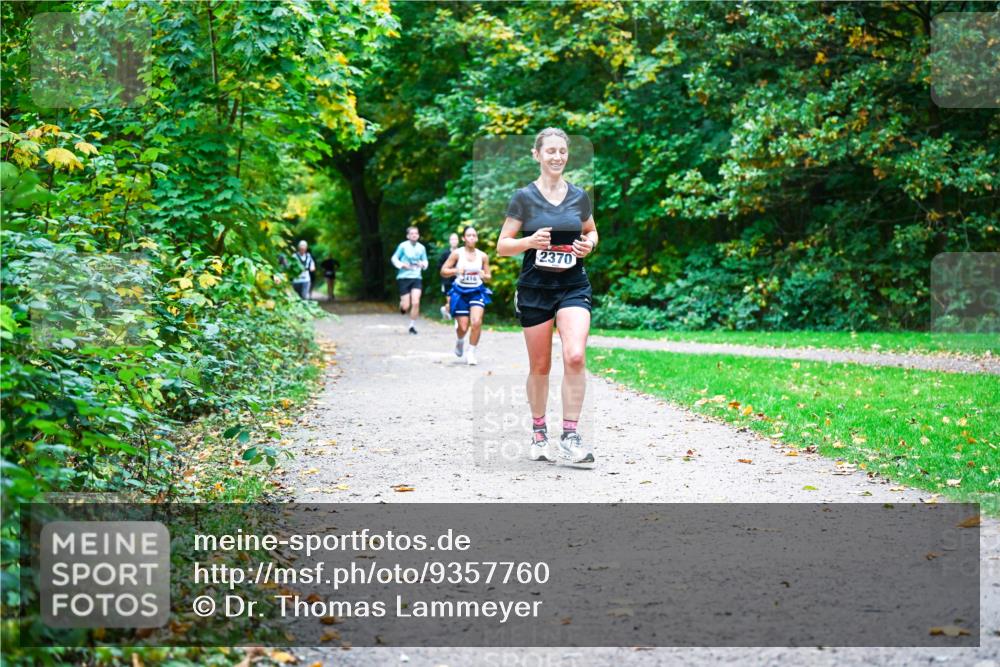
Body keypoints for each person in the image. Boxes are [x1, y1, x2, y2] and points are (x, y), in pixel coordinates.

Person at [496, 128, 598, 466]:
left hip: (573, 285)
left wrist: (589, 244)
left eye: (562, 151)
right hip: (535, 289)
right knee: (540, 366)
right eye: (550, 151)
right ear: (536, 154)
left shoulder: (579, 196)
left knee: (575, 356)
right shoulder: (523, 197)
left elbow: (591, 231)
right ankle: (539, 431)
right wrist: (529, 242)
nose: (557, 156)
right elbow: (502, 246)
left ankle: (570, 436)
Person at [440, 226, 492, 366]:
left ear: (477, 238)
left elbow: (489, 277)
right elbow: (443, 271)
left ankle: (471, 352)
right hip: (460, 292)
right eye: (469, 235)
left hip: (476, 291)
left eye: (474, 235)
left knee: (476, 322)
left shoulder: (483, 256)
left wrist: (484, 275)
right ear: (463, 238)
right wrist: (456, 271)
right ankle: (460, 340)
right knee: (463, 327)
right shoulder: (457, 254)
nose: (472, 238)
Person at [390, 226, 429, 334]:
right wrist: (402, 265)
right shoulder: (403, 246)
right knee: (406, 306)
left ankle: (412, 326)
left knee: (416, 302)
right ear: (408, 236)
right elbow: (394, 258)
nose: (414, 235)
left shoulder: (421, 248)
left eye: (416, 233)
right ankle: (402, 306)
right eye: (412, 233)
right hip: (404, 277)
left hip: (416, 277)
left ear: (418, 235)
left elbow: (425, 261)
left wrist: (422, 264)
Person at [438, 232, 460, 320]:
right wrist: (450, 271)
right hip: (447, 281)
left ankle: (446, 310)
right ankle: (447, 311)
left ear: (458, 241)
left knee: (458, 300)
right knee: (450, 300)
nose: (454, 241)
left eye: (455, 239)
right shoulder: (445, 254)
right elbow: (439, 267)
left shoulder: (461, 252)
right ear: (449, 241)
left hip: (459, 280)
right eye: (452, 239)